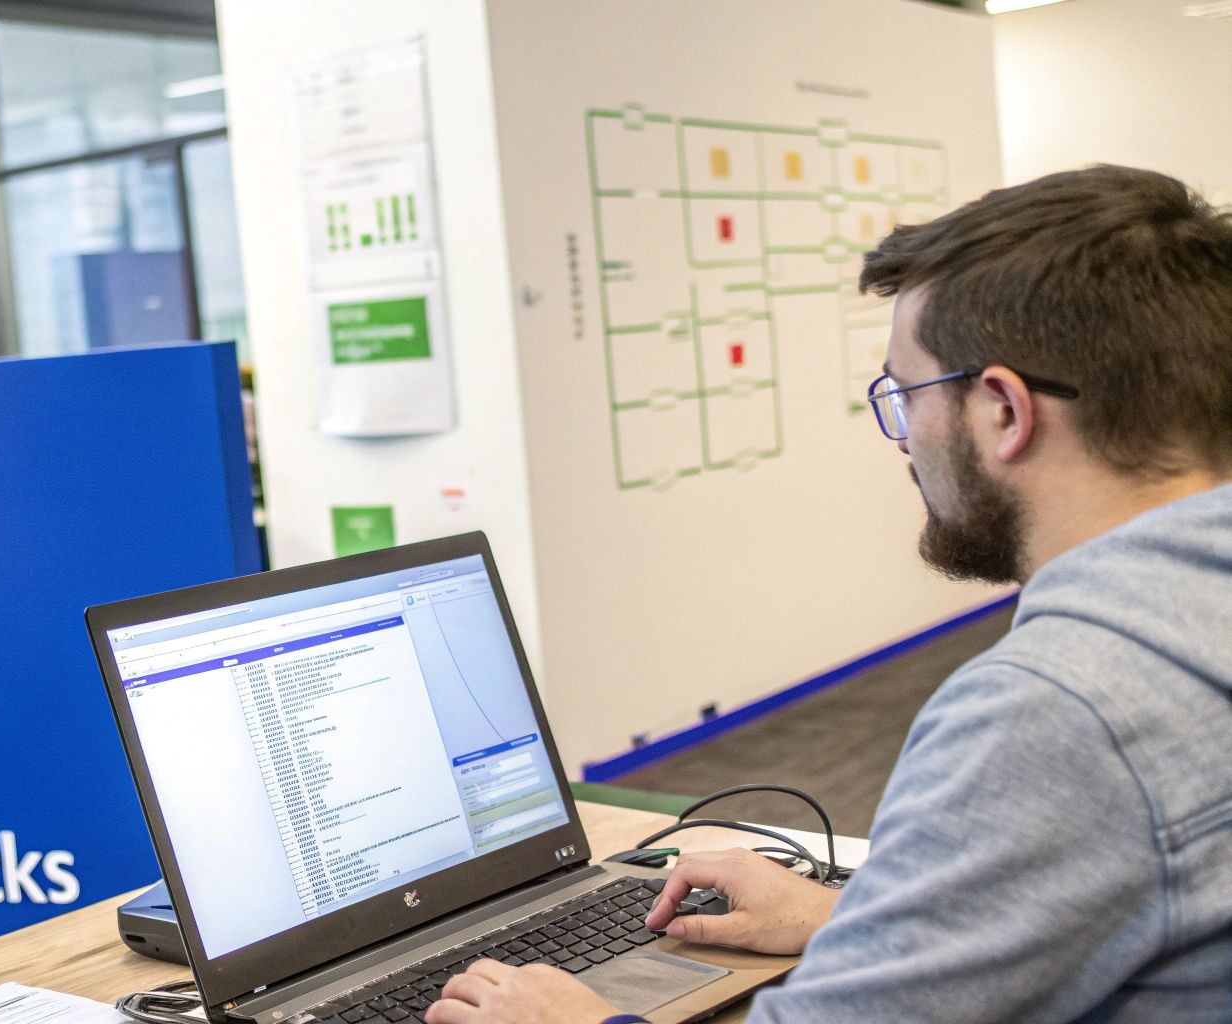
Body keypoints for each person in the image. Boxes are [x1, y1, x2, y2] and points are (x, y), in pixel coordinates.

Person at [426, 165, 1232, 1024]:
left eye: (908, 393)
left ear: (1003, 410)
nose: (902, 440)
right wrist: (853, 919)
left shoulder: (1056, 713)